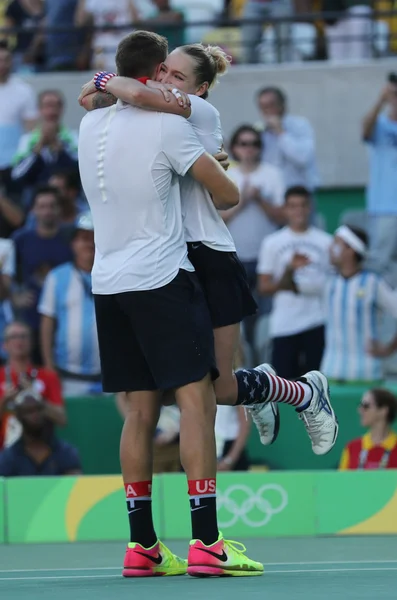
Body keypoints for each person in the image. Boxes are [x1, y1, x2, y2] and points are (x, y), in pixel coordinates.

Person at [79, 43, 338, 458]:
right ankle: (261, 387)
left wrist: (108, 78)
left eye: (177, 77)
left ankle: (303, 392)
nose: (165, 81)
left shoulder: (193, 111)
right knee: (164, 393)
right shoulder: (153, 111)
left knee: (211, 388)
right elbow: (91, 101)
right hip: (169, 261)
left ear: (198, 90)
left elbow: (111, 94)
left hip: (206, 254)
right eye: (163, 71)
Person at [78, 30, 264, 578]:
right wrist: (208, 162)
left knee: (138, 411)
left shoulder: (90, 125)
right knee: (196, 400)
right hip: (161, 278)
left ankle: (144, 547)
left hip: (107, 282)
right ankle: (206, 541)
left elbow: (95, 96)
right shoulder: (170, 125)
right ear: (159, 71)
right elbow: (228, 195)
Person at [223, 124, 285, 359]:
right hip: (235, 256)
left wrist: (260, 200)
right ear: (235, 148)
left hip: (267, 258)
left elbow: (282, 217)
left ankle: (268, 364)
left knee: (268, 315)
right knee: (240, 316)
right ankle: (247, 365)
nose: (249, 149)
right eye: (243, 143)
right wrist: (243, 201)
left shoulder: (273, 174)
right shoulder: (227, 175)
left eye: (254, 144)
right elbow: (218, 218)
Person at [257, 186, 332, 380]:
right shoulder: (272, 242)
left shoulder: (326, 242)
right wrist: (290, 271)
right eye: (292, 206)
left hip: (317, 322)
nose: (298, 210)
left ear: (310, 208)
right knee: (284, 387)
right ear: (285, 209)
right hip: (285, 325)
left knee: (317, 387)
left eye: (302, 205)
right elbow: (264, 287)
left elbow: (331, 285)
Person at [321, 226, 397, 383]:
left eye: (336, 243)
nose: (330, 247)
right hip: (330, 373)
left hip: (367, 375)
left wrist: (389, 349)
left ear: (351, 249)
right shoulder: (327, 283)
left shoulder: (374, 283)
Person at [39, 212, 101, 397]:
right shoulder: (57, 277)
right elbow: (47, 323)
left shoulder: (113, 275)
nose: (89, 244)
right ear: (73, 243)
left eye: (94, 238)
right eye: (83, 238)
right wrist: (48, 365)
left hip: (107, 375)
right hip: (66, 375)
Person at [12, 186, 73, 362]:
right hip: (31, 318)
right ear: (33, 210)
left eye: (52, 206)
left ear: (59, 209)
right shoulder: (21, 239)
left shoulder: (70, 237)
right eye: (42, 206)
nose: (47, 211)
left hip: (66, 317)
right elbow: (8, 274)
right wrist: (15, 295)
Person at [0, 320, 66, 450]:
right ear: (4, 345)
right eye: (14, 336)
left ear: (32, 342)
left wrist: (36, 397)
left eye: (24, 336)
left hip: (42, 448)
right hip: (4, 450)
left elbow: (62, 419)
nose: (19, 341)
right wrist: (4, 401)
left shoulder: (47, 376)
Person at [11, 90, 78, 200]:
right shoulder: (27, 140)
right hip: (36, 201)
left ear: (62, 109)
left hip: (68, 199)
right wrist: (36, 151)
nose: (52, 111)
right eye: (47, 106)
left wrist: (61, 151)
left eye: (56, 106)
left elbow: (80, 173)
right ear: (39, 110)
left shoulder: (73, 138)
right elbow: (17, 175)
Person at [362, 76, 397, 288]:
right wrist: (380, 101)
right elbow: (365, 130)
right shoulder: (380, 125)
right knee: (380, 265)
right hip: (385, 208)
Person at [0, 388, 80, 476]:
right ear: (19, 417)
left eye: (39, 409)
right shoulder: (9, 457)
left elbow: (75, 486)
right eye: (29, 412)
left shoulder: (65, 452)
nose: (36, 416)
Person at [256, 86, 319, 193]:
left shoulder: (300, 125)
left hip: (299, 190)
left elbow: (303, 158)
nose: (267, 111)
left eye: (271, 105)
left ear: (282, 105)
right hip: (271, 193)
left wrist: (280, 132)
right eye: (263, 107)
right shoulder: (259, 131)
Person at [0, 40, 37, 193]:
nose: (3, 64)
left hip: (13, 161)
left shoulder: (24, 91)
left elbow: (30, 129)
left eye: (6, 60)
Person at [339, 388, 397, 470]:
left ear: (383, 411)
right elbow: (341, 481)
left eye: (365, 406)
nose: (360, 410)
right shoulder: (352, 448)